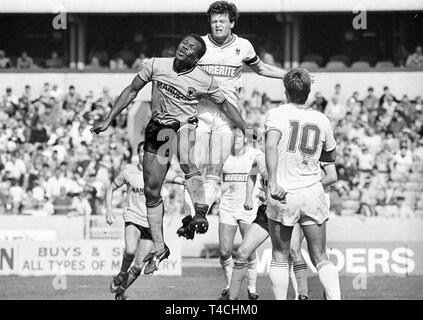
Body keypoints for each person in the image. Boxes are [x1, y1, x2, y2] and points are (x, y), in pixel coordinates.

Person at [91, 34, 252, 275]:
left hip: (183, 125)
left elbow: (226, 105)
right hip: (157, 128)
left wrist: (244, 127)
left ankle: (199, 212)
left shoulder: (204, 81)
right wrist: (109, 118)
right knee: (151, 190)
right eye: (184, 43)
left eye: (190, 48)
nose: (184, 47)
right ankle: (159, 246)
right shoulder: (156, 64)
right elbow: (131, 90)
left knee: (187, 158)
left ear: (196, 58)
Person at [178, 1, 287, 241]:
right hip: (200, 114)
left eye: (221, 21)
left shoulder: (243, 46)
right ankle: (189, 217)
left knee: (215, 170)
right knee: (193, 168)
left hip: (228, 118)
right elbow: (181, 72)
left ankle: (200, 214)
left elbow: (260, 69)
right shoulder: (200, 45)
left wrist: (286, 74)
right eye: (213, 21)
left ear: (232, 23)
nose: (217, 24)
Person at [264, 68, 341, 300]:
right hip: (312, 191)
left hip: (285, 192)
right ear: (308, 92)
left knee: (279, 254)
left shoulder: (276, 115)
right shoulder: (321, 119)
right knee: (320, 255)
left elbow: (270, 146)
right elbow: (331, 158)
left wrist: (273, 181)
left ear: (285, 90)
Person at [228, 162, 338, 300]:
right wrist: (249, 196)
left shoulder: (290, 153)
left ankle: (302, 295)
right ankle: (231, 298)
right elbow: (252, 175)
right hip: (266, 211)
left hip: (287, 208)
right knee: (242, 252)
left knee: (294, 250)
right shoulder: (261, 156)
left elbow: (329, 176)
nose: (261, 139)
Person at [215, 130, 265, 300]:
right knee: (224, 251)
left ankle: (252, 288)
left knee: (248, 250)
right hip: (227, 207)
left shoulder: (255, 154)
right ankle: (229, 285)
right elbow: (214, 179)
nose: (236, 139)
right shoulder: (223, 156)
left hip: (248, 207)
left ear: (246, 138)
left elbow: (263, 168)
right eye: (233, 136)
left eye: (239, 136)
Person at [106, 142, 153, 300]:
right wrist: (109, 211)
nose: (144, 155)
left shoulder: (159, 172)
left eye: (147, 152)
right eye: (141, 151)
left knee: (139, 266)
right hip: (133, 217)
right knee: (130, 251)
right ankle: (121, 274)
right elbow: (110, 188)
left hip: (152, 223)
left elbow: (179, 178)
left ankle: (120, 294)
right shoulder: (128, 172)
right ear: (137, 154)